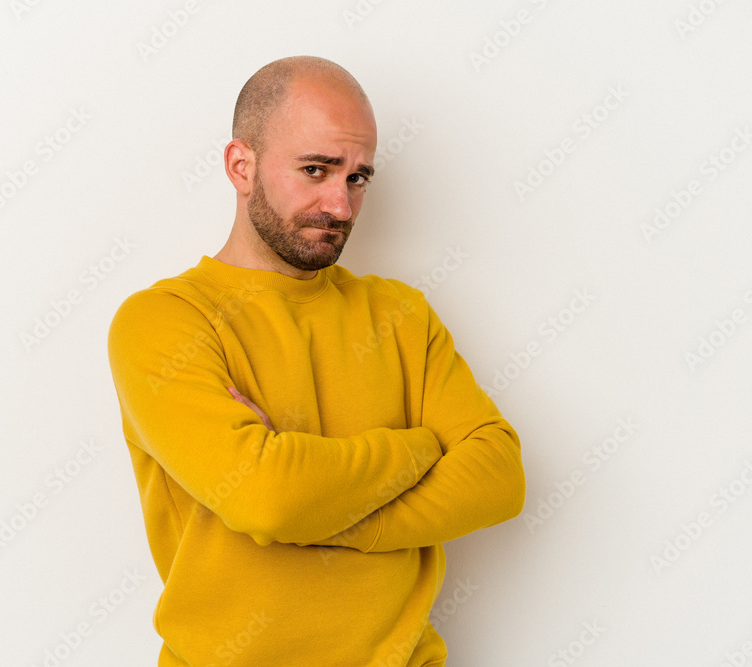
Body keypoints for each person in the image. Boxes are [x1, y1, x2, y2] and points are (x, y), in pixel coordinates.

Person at [107, 55, 525, 667]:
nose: (341, 204)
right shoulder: (164, 321)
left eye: (358, 178)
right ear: (240, 166)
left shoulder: (400, 313)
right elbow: (267, 498)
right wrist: (417, 450)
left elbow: (499, 478)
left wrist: (319, 507)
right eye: (315, 170)